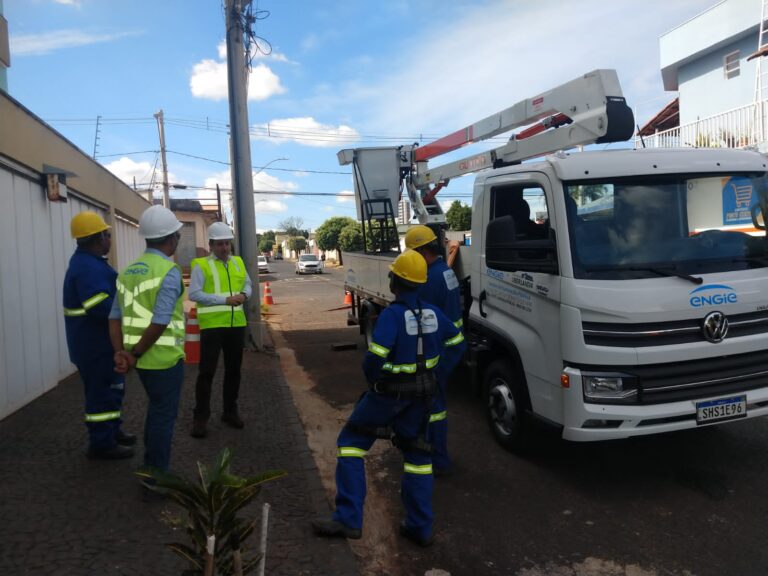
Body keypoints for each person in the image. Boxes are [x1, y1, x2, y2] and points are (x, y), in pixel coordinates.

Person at [312, 250, 465, 547]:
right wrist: (437, 375)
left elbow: (373, 360)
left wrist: (377, 384)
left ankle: (348, 519)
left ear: (395, 281)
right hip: (423, 400)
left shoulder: (392, 317)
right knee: (419, 457)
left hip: (387, 398)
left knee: (351, 445)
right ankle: (420, 527)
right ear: (419, 283)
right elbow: (457, 343)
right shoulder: (434, 314)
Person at [108, 205, 185, 476]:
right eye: (177, 234)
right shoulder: (169, 271)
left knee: (156, 412)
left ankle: (150, 466)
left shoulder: (127, 270)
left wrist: (121, 352)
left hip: (138, 359)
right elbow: (161, 320)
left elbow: (114, 316)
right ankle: (156, 475)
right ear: (171, 238)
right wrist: (135, 354)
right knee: (163, 417)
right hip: (162, 360)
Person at [63, 211, 135, 460]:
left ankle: (112, 431)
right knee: (101, 394)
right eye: (106, 234)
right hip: (94, 346)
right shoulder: (87, 268)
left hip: (96, 344)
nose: (109, 239)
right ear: (96, 239)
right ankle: (102, 443)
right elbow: (101, 308)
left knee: (112, 390)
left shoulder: (90, 263)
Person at [404, 225, 466, 476]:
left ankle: (433, 459)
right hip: (450, 346)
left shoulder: (429, 279)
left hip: (437, 351)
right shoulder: (444, 271)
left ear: (420, 250)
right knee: (437, 408)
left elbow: (419, 314)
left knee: (430, 408)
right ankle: (437, 458)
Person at [188, 222, 252, 438]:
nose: (225, 248)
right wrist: (225, 300)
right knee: (206, 373)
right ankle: (200, 418)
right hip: (213, 326)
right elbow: (194, 294)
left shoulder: (238, 262)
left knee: (234, 371)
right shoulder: (201, 265)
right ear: (211, 245)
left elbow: (248, 284)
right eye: (220, 244)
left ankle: (229, 411)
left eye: (227, 243)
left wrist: (245, 295)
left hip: (236, 324)